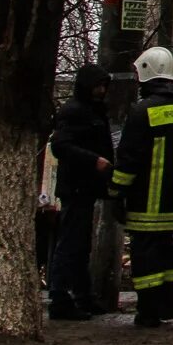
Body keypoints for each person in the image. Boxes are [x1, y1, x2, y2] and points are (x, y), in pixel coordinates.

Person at [108, 47, 173, 328]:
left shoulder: (143, 113)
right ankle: (165, 307)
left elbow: (128, 161)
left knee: (145, 258)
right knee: (166, 254)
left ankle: (149, 312)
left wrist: (116, 194)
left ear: (145, 74)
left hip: (147, 205)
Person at [47, 64, 114, 320]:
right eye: (98, 85)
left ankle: (82, 296)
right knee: (71, 243)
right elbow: (61, 147)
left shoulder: (93, 110)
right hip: (75, 186)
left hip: (86, 186)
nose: (102, 90)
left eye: (104, 86)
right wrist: (93, 160)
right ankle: (60, 298)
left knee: (80, 243)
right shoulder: (73, 111)